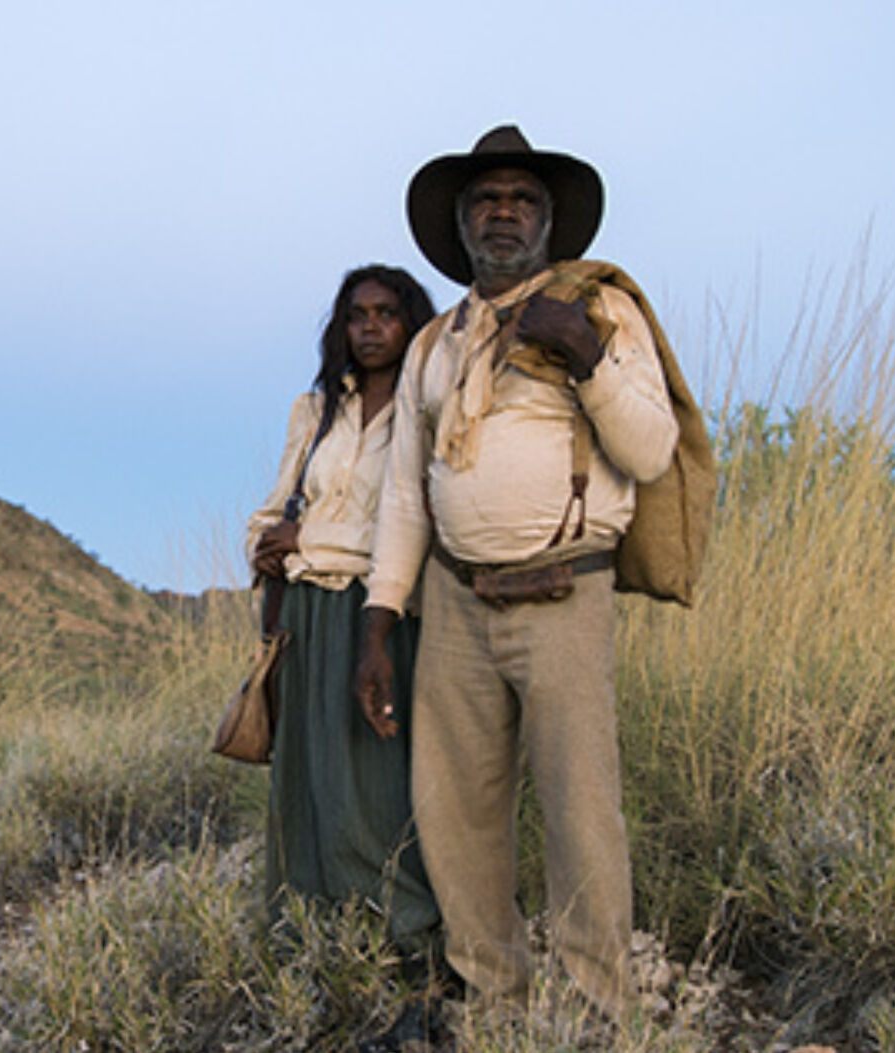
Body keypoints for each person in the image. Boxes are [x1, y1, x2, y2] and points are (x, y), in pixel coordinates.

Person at [354, 125, 680, 1025]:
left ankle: (596, 1009)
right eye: (487, 200)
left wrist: (581, 350)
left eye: (521, 199)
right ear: (461, 225)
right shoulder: (433, 344)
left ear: (548, 221)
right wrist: (380, 624)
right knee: (455, 811)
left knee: (582, 813)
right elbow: (406, 499)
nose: (503, 212)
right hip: (455, 600)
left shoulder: (600, 312)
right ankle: (494, 1002)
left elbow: (650, 451)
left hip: (564, 592)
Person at [245, 265, 443, 1015]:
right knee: (308, 782)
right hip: (305, 613)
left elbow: (409, 523)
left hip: (382, 614)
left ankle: (407, 951)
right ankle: (314, 950)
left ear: (409, 322)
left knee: (376, 782)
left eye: (386, 314)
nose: (370, 328)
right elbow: (270, 515)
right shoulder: (317, 410)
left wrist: (309, 538)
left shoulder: (428, 405)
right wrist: (270, 544)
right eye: (356, 314)